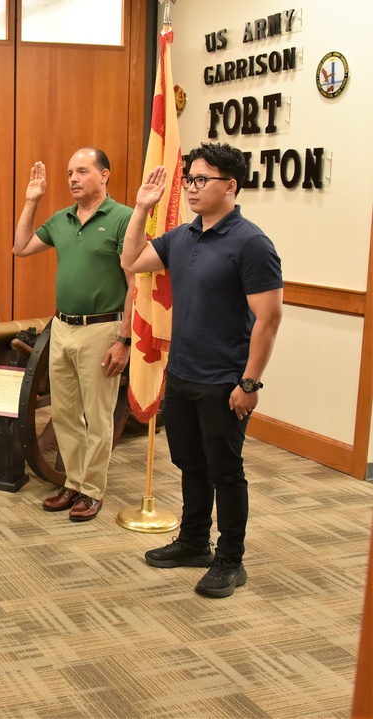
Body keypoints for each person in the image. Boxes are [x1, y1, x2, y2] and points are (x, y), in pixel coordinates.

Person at [122, 142, 283, 598]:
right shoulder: (182, 236)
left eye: (202, 180)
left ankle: (230, 558)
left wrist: (249, 383)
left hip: (224, 380)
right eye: (189, 179)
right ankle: (194, 542)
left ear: (230, 186)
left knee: (225, 470)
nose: (192, 188)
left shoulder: (251, 243)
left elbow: (269, 319)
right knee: (190, 464)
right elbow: (131, 262)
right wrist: (141, 208)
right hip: (184, 374)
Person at [12, 148, 134, 522]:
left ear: (105, 174)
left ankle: (93, 490)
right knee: (64, 413)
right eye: (69, 173)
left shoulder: (124, 218)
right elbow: (20, 247)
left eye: (82, 171)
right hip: (61, 327)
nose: (73, 179)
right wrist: (31, 201)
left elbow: (135, 283)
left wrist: (124, 340)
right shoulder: (61, 219)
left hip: (102, 329)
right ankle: (73, 483)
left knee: (97, 416)